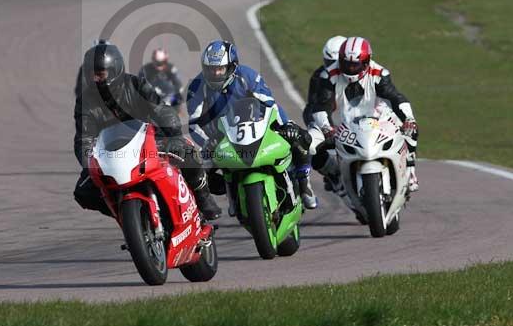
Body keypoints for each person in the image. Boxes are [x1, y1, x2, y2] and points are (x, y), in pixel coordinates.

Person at [73, 43, 222, 220]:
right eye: (91, 74)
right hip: (111, 154)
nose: (94, 79)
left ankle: (202, 196)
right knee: (83, 192)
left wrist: (173, 133)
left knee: (187, 151)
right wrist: (88, 160)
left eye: (99, 74)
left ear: (115, 71)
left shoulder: (135, 84)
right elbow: (84, 137)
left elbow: (162, 110)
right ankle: (126, 215)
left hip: (149, 141)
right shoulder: (85, 101)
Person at [186, 40, 317, 209]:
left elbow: (270, 104)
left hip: (258, 126)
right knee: (196, 174)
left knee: (301, 137)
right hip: (220, 138)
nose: (216, 74)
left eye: (220, 69)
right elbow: (194, 123)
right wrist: (207, 141)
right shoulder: (197, 86)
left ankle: (304, 182)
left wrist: (285, 125)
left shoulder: (247, 76)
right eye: (211, 69)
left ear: (232, 67)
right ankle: (206, 212)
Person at [309, 36, 419, 192]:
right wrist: (327, 129)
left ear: (366, 62)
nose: (351, 69)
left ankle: (410, 170)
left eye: (356, 65)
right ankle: (334, 175)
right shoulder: (329, 75)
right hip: (343, 126)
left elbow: (396, 97)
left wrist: (408, 119)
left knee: (411, 127)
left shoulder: (379, 73)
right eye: (346, 64)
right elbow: (321, 106)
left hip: (378, 120)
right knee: (310, 146)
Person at [303, 36, 346, 192]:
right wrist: (317, 127)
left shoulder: (361, 76)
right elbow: (312, 107)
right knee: (308, 147)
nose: (332, 67)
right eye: (329, 62)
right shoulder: (319, 77)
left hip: (356, 125)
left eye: (336, 63)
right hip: (330, 125)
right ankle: (332, 173)